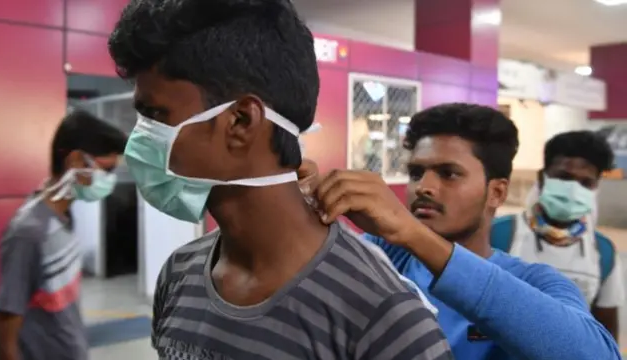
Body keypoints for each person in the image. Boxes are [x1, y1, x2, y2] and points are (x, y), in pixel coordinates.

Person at [108, 0, 453, 359]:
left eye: (155, 115)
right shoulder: (180, 272)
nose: (140, 138)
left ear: (241, 122)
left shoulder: (382, 315)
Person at [298, 103, 621, 360]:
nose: (423, 187)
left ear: (496, 193)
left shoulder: (536, 281)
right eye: (416, 172)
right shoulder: (384, 259)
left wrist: (415, 235)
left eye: (449, 174)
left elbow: (594, 354)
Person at [0, 110, 127, 360]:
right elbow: (5, 343)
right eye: (105, 171)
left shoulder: (64, 218)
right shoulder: (28, 232)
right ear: (76, 161)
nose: (109, 181)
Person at [492, 131, 625, 339]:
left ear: (596, 187)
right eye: (564, 178)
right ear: (542, 177)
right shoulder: (498, 235)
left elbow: (606, 334)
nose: (573, 190)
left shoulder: (603, 252)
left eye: (585, 183)